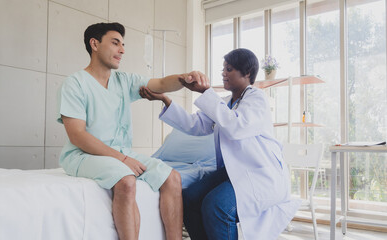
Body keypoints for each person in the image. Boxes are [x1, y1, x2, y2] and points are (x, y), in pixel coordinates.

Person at [57, 22, 209, 240]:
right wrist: (123, 158)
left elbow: (161, 83)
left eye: (123, 45)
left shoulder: (124, 81)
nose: (122, 50)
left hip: (120, 153)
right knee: (126, 181)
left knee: (172, 177)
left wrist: (186, 78)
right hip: (83, 155)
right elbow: (77, 135)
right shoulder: (75, 84)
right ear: (95, 44)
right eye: (115, 43)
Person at [139, 48, 301, 240]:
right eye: (223, 68)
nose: (223, 73)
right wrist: (166, 100)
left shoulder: (257, 98)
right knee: (189, 198)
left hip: (260, 174)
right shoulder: (225, 102)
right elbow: (195, 126)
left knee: (217, 205)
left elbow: (236, 127)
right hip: (234, 172)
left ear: (247, 73)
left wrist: (206, 92)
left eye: (229, 69)